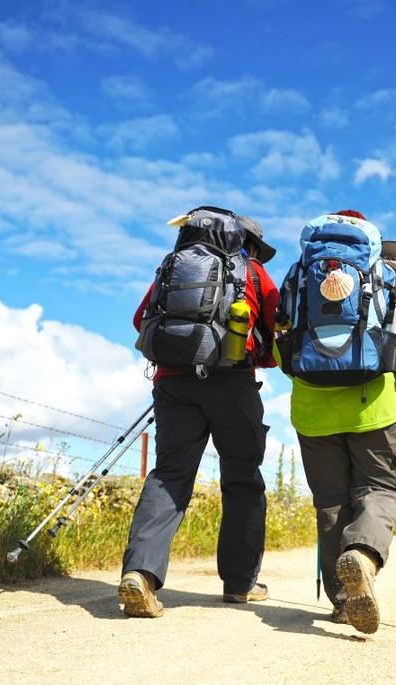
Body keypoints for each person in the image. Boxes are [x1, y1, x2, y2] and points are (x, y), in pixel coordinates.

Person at [277, 210, 396, 635]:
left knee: (330, 502)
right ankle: (363, 556)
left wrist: (310, 379)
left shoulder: (300, 281)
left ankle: (343, 600)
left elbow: (282, 352)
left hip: (312, 414)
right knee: (383, 488)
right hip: (378, 411)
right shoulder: (387, 282)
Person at [117, 208, 280, 618]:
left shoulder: (173, 268)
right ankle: (241, 585)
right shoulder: (253, 274)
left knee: (169, 475)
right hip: (232, 384)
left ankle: (140, 574)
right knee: (243, 479)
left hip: (172, 383)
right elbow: (276, 332)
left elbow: (141, 320)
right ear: (247, 243)